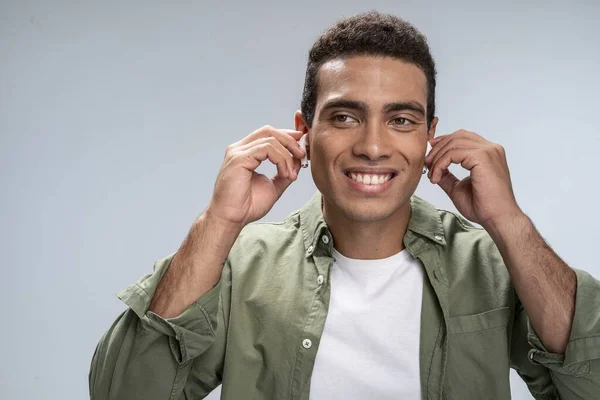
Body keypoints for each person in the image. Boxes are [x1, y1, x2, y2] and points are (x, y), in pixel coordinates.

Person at [89, 11, 600, 400]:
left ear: (430, 136)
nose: (374, 146)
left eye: (401, 119)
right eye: (345, 117)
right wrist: (219, 222)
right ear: (305, 133)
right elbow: (123, 391)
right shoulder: (235, 265)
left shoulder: (490, 263)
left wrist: (507, 221)